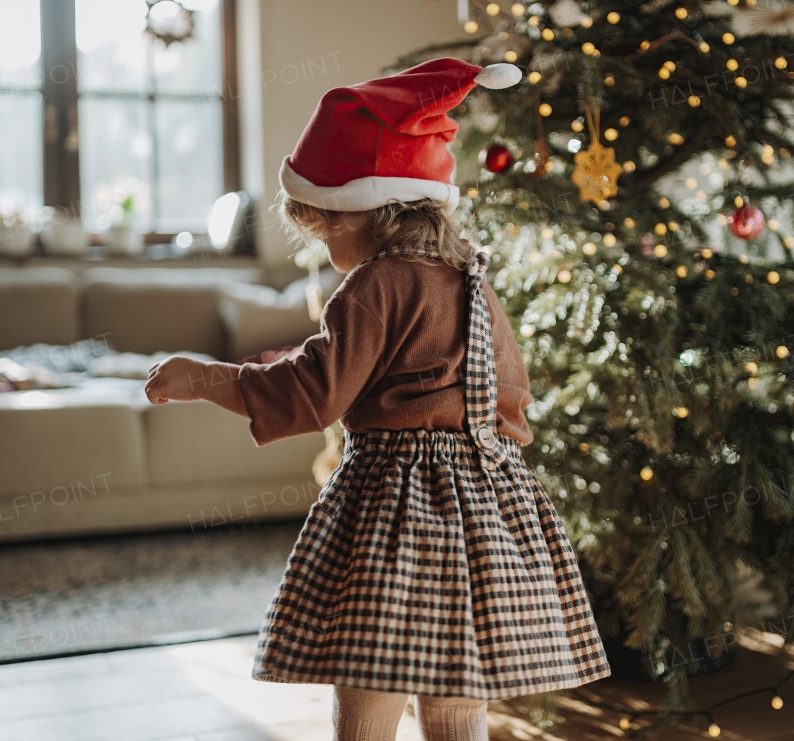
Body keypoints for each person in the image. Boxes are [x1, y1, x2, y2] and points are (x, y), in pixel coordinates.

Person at [145, 58, 609, 741]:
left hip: (396, 506)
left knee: (373, 672)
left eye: (324, 226)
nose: (325, 244)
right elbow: (510, 398)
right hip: (484, 507)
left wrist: (205, 378)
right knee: (455, 681)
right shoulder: (470, 280)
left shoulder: (376, 283)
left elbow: (312, 396)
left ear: (364, 212)